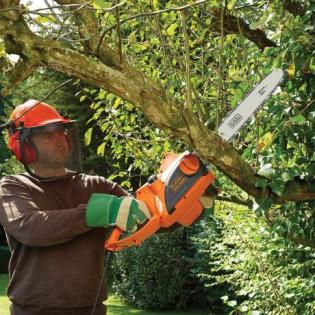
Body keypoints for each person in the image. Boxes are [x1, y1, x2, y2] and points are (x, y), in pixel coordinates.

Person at [0, 100, 152, 315]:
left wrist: (179, 202)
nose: (60, 140)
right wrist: (93, 213)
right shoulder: (13, 186)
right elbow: (31, 228)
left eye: (62, 132)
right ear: (24, 145)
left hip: (90, 309)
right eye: (47, 134)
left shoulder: (96, 185)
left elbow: (144, 215)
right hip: (33, 311)